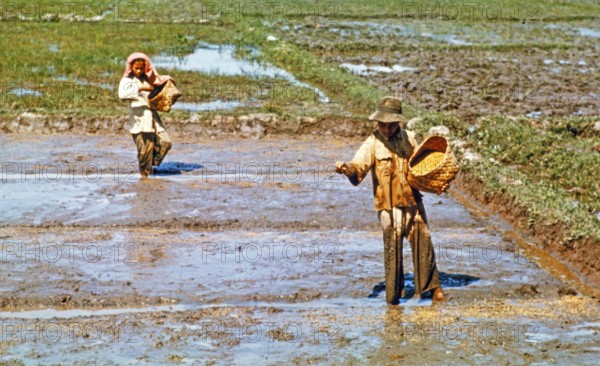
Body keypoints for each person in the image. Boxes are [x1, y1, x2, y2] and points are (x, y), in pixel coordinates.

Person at [335, 96, 445, 305]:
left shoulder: (409, 139)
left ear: (398, 123)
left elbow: (424, 164)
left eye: (391, 125)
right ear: (378, 123)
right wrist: (347, 169)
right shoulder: (372, 144)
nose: (387, 130)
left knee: (424, 243)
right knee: (392, 250)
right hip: (388, 206)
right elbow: (358, 167)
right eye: (383, 125)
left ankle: (433, 289)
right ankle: (394, 296)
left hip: (413, 202)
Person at [118, 52, 172, 179]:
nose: (138, 71)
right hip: (138, 118)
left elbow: (160, 83)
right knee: (144, 149)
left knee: (165, 142)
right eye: (136, 68)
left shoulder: (149, 78)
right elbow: (122, 95)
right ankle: (145, 175)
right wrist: (141, 88)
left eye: (141, 68)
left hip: (152, 116)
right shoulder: (127, 80)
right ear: (130, 67)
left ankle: (150, 164)